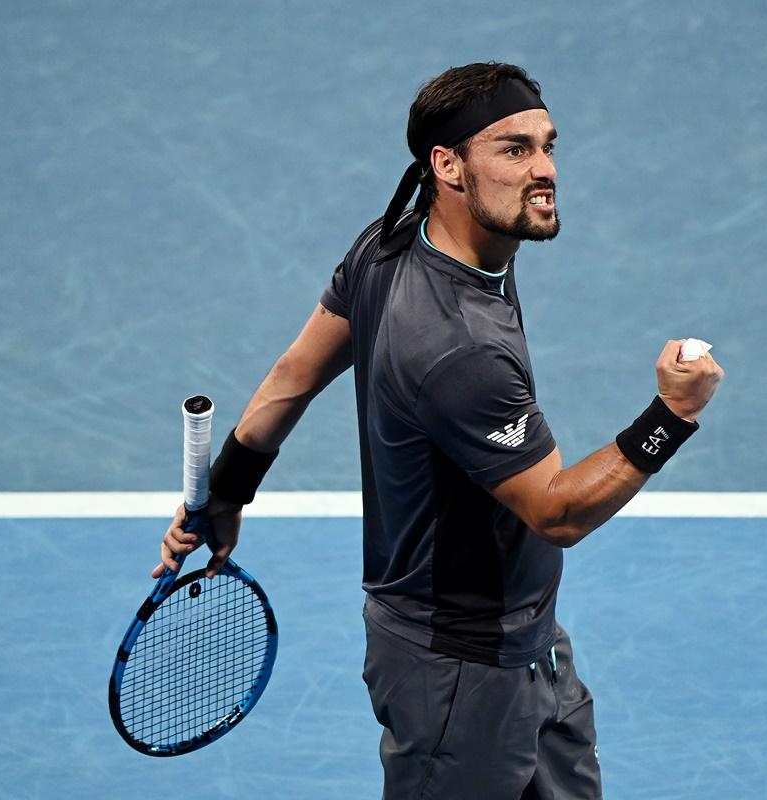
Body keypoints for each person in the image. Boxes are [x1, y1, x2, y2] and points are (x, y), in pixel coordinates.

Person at [156, 62, 723, 799]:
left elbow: (295, 374)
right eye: (514, 150)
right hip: (460, 672)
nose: (545, 170)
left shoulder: (392, 244)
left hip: (523, 639)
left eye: (547, 146)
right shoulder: (458, 349)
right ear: (447, 166)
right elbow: (557, 512)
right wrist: (671, 416)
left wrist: (229, 487)